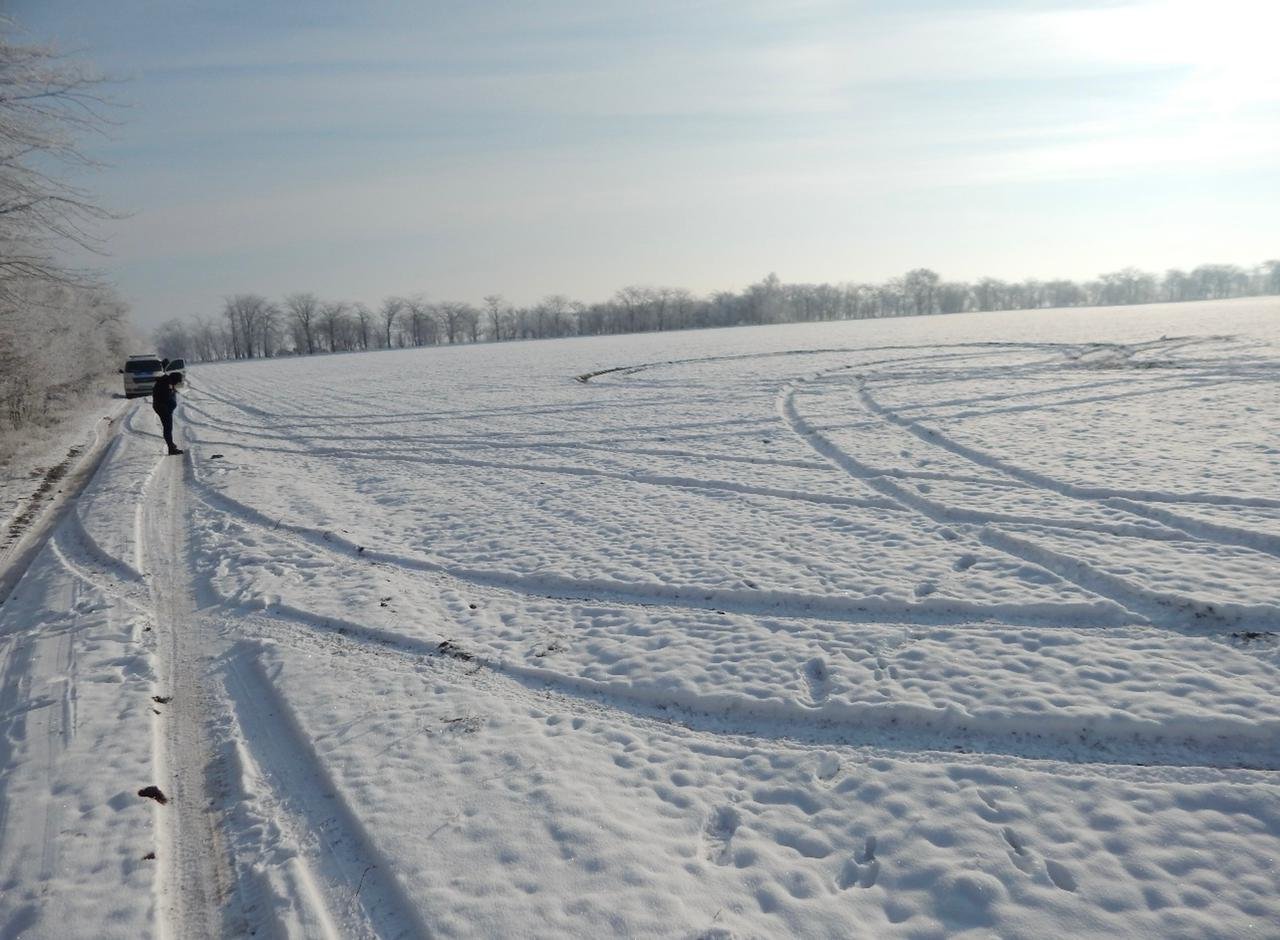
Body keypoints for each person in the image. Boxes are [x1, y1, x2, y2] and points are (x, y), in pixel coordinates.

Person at [151, 372, 183, 455]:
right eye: (177, 382)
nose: (176, 384)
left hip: (161, 407)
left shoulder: (165, 381)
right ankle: (171, 449)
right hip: (163, 408)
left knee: (167, 427)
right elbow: (166, 397)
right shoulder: (166, 384)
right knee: (168, 428)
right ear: (174, 380)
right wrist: (172, 393)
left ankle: (171, 444)